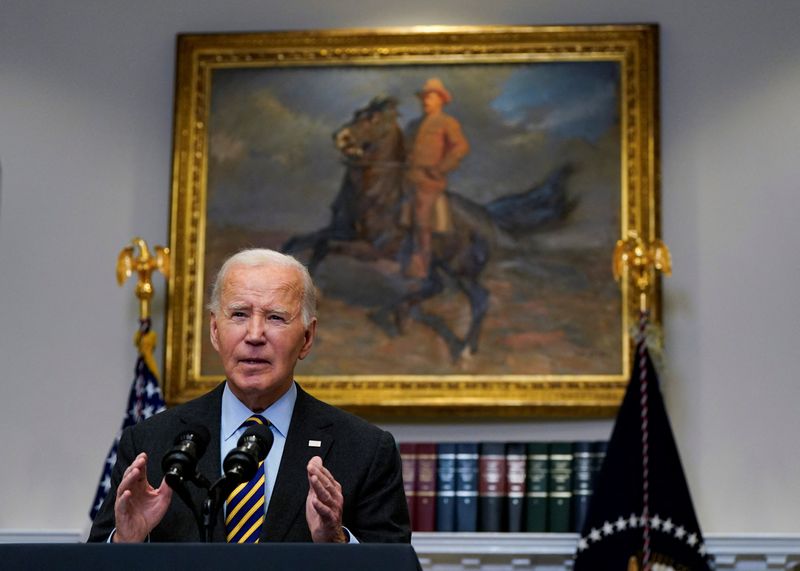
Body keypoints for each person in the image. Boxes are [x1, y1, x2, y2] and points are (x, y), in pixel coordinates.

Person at [88, 248, 410, 543]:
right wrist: (126, 543)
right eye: (239, 314)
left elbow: (394, 565)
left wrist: (337, 544)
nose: (254, 335)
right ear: (215, 331)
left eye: (275, 317)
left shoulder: (366, 451)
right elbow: (92, 567)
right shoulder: (150, 443)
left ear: (307, 337)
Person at [404, 77, 470, 278]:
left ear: (441, 100)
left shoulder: (447, 123)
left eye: (431, 97)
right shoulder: (413, 125)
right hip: (407, 178)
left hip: (429, 181)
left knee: (422, 216)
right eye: (424, 97)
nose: (426, 101)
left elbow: (461, 147)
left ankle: (422, 264)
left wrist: (441, 168)